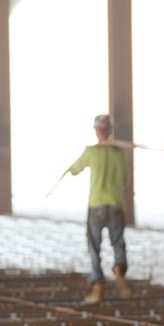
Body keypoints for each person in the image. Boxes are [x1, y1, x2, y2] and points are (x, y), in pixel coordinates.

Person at [68, 114, 133, 304]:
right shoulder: (120, 154)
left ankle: (97, 289)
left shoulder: (91, 152)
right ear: (110, 130)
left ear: (96, 131)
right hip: (116, 204)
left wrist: (71, 169)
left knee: (94, 247)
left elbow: (75, 169)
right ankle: (119, 272)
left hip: (96, 205)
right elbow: (124, 181)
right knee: (118, 243)